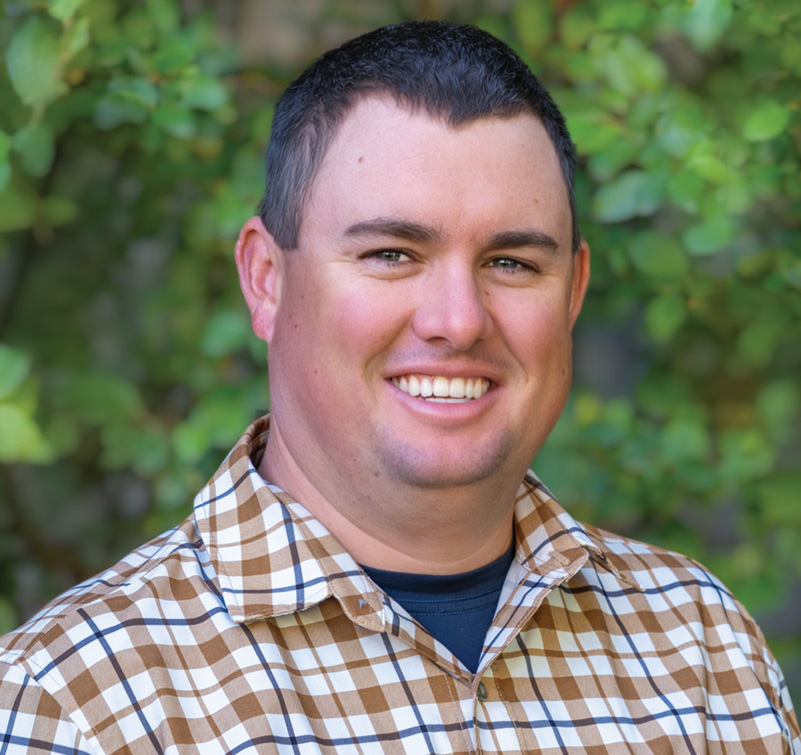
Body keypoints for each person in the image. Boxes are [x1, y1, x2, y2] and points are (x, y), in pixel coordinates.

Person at [0, 19, 798, 754]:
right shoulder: (77, 703)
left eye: (511, 262)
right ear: (266, 279)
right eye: (391, 253)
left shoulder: (698, 645)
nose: (457, 321)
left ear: (573, 292)